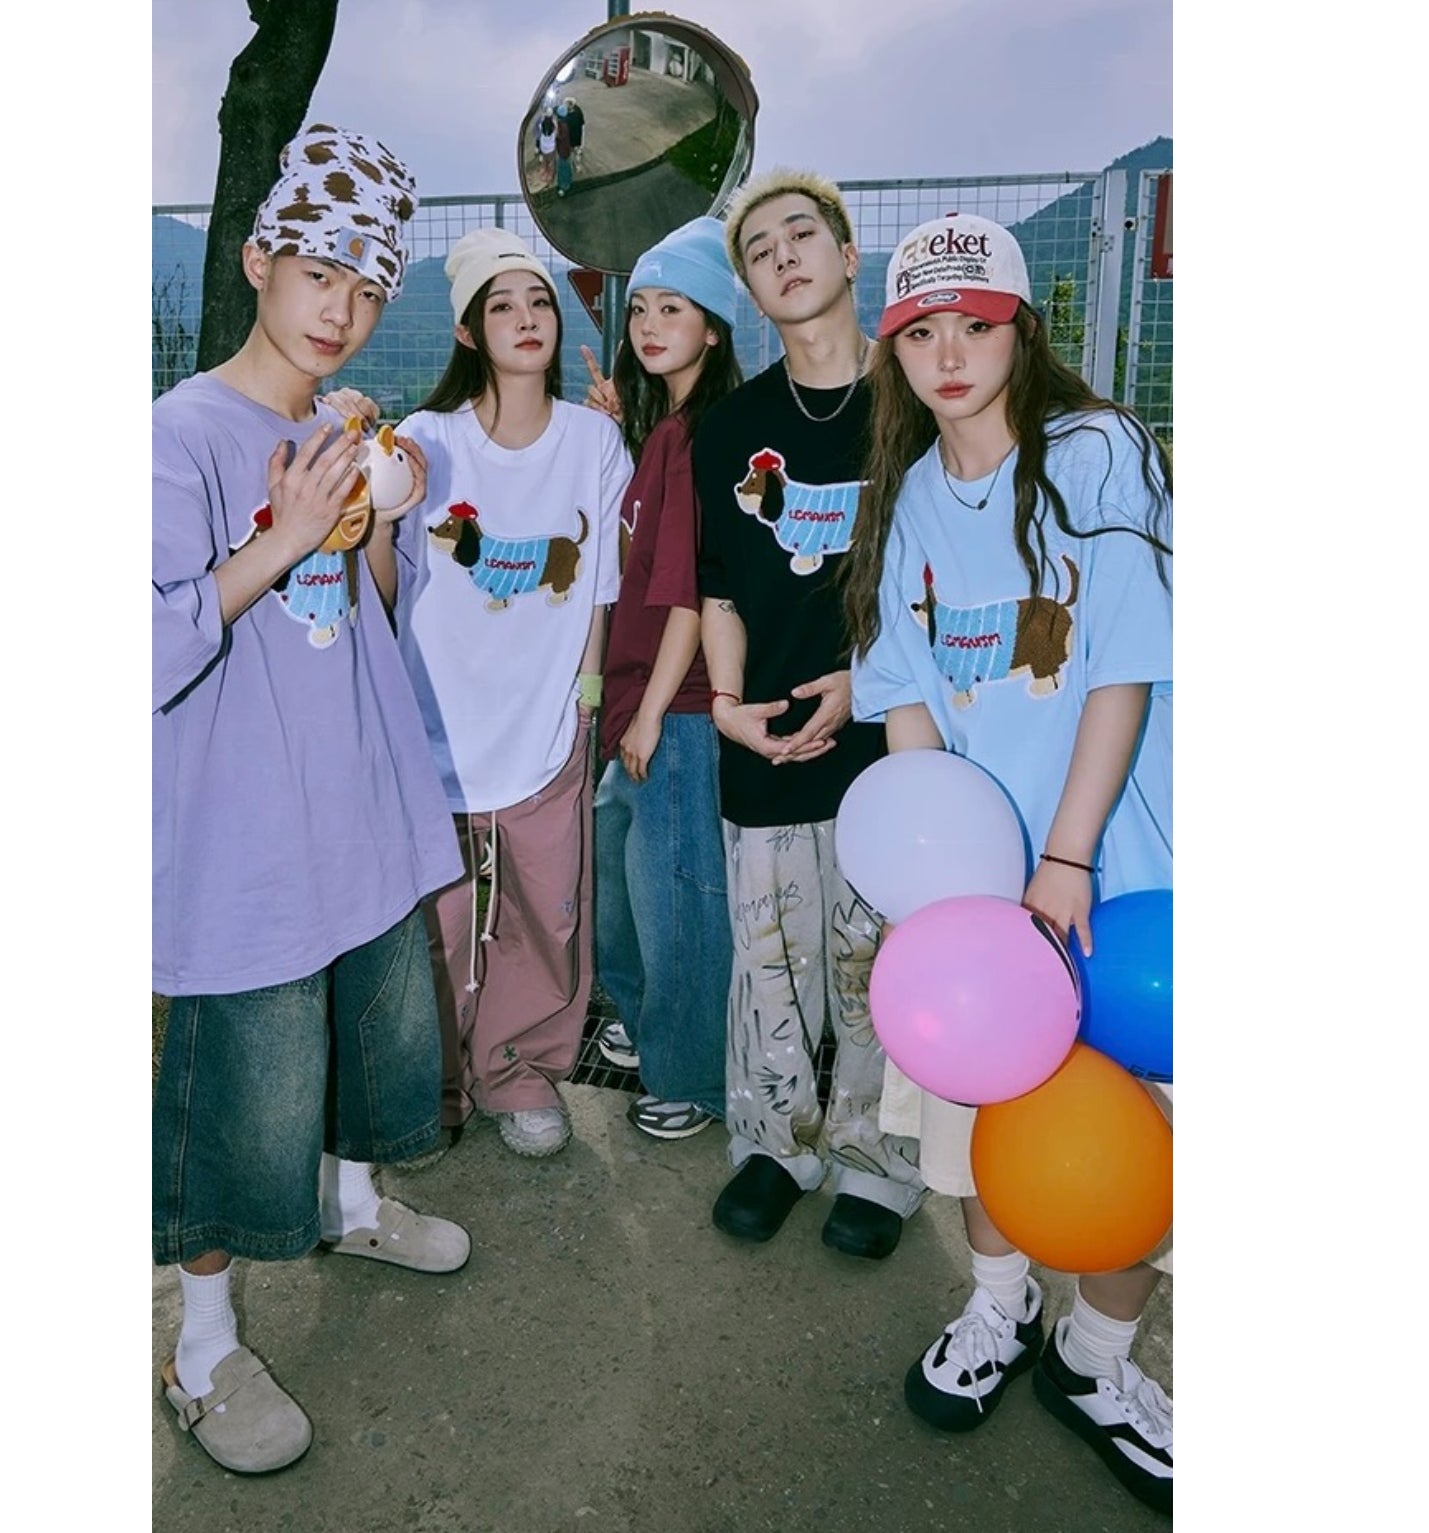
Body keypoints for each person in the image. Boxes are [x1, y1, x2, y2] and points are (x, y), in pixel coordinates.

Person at [152, 124, 471, 1475]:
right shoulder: (178, 436)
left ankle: (350, 1201)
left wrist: (375, 523)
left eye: (368, 287)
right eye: (319, 272)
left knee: (360, 1035)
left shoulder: (341, 427)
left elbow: (368, 611)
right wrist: (282, 536)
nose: (341, 309)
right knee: (243, 1082)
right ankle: (202, 1346)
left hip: (359, 813)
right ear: (257, 261)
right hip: (246, 842)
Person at [844, 212, 1174, 1513]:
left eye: (974, 325)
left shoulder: (1095, 453)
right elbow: (907, 702)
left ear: (1021, 330)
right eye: (920, 332)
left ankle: (1097, 1360)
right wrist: (947, 893)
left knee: (1130, 1141)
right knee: (995, 1116)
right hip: (994, 903)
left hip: (1117, 877)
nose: (948, 354)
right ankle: (996, 1308)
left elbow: (1123, 667)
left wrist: (1067, 856)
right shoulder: (910, 499)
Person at [692, 168, 926, 1261]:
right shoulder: (730, 426)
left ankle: (881, 1160)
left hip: (891, 734)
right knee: (769, 956)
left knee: (878, 960)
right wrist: (725, 706)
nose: (783, 255)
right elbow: (720, 590)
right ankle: (774, 1145)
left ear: (846, 254)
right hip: (768, 739)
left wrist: (862, 681)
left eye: (801, 234)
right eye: (759, 249)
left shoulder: (916, 401)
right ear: (749, 288)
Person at [395, 228, 629, 1159]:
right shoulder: (427, 441)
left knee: (544, 900)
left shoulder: (593, 439)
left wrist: (586, 692)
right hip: (436, 710)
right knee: (437, 909)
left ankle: (518, 1069)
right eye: (502, 306)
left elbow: (601, 584)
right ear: (467, 331)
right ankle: (431, 1078)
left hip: (546, 710)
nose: (526, 319)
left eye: (538, 302)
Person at [579, 217, 743, 1141]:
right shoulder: (666, 432)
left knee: (678, 898)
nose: (647, 324)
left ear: (713, 327)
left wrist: (645, 715)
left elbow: (689, 589)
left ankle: (692, 1076)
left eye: (672, 308)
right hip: (639, 703)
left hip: (674, 710)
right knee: (623, 894)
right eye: (639, 307)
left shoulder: (703, 434)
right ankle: (652, 1028)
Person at [562, 95, 586, 172]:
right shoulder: (578, 110)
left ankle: (574, 166)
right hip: (578, 137)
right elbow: (582, 123)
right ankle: (577, 166)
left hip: (570, 139)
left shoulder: (566, 117)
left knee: (572, 153)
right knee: (576, 153)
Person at [534, 108, 557, 188]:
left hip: (543, 147)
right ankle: (550, 177)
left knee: (545, 161)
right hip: (551, 148)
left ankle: (545, 172)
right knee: (551, 163)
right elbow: (556, 133)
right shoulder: (554, 125)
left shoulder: (541, 125)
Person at [554, 111, 574, 197]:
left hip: (563, 152)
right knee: (566, 167)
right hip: (566, 150)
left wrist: (556, 136)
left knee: (562, 169)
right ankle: (568, 182)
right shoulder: (565, 124)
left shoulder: (562, 127)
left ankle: (563, 186)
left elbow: (561, 137)